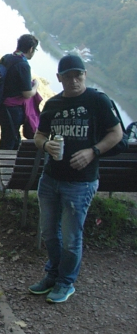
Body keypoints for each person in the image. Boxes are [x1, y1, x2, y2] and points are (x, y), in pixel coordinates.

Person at [29, 55, 122, 304]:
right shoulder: (53, 104)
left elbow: (116, 133)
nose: (73, 80)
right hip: (51, 178)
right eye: (67, 76)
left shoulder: (97, 101)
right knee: (49, 233)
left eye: (78, 75)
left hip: (81, 183)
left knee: (71, 238)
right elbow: (39, 135)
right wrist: (46, 145)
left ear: (85, 74)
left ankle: (65, 282)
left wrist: (93, 151)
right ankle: (53, 274)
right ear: (59, 78)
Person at [0, 34, 41, 195]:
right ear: (31, 49)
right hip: (11, 110)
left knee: (14, 141)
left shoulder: (7, 58)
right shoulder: (23, 65)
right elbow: (27, 93)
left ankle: (7, 179)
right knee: (9, 143)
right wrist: (36, 86)